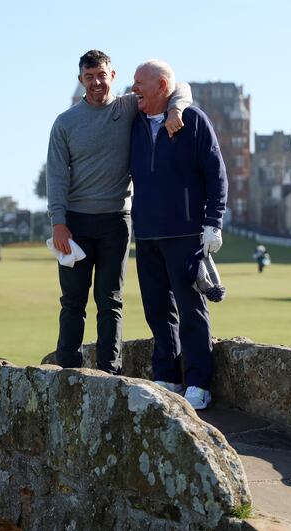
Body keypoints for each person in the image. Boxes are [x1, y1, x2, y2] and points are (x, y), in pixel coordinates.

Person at [46, 50, 192, 374]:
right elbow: (55, 176)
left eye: (101, 75)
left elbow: (178, 86)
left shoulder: (129, 107)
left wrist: (177, 109)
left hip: (116, 220)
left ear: (112, 76)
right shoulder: (65, 123)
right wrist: (58, 223)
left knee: (110, 300)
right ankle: (66, 371)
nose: (96, 83)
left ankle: (109, 372)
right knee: (72, 301)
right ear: (80, 80)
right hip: (75, 222)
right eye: (89, 77)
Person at [129, 60, 227, 409]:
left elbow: (216, 174)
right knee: (157, 310)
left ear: (162, 85)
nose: (134, 87)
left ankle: (199, 382)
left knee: (191, 308)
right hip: (147, 233)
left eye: (140, 82)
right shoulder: (133, 119)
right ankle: (167, 376)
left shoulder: (194, 120)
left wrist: (213, 222)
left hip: (185, 232)